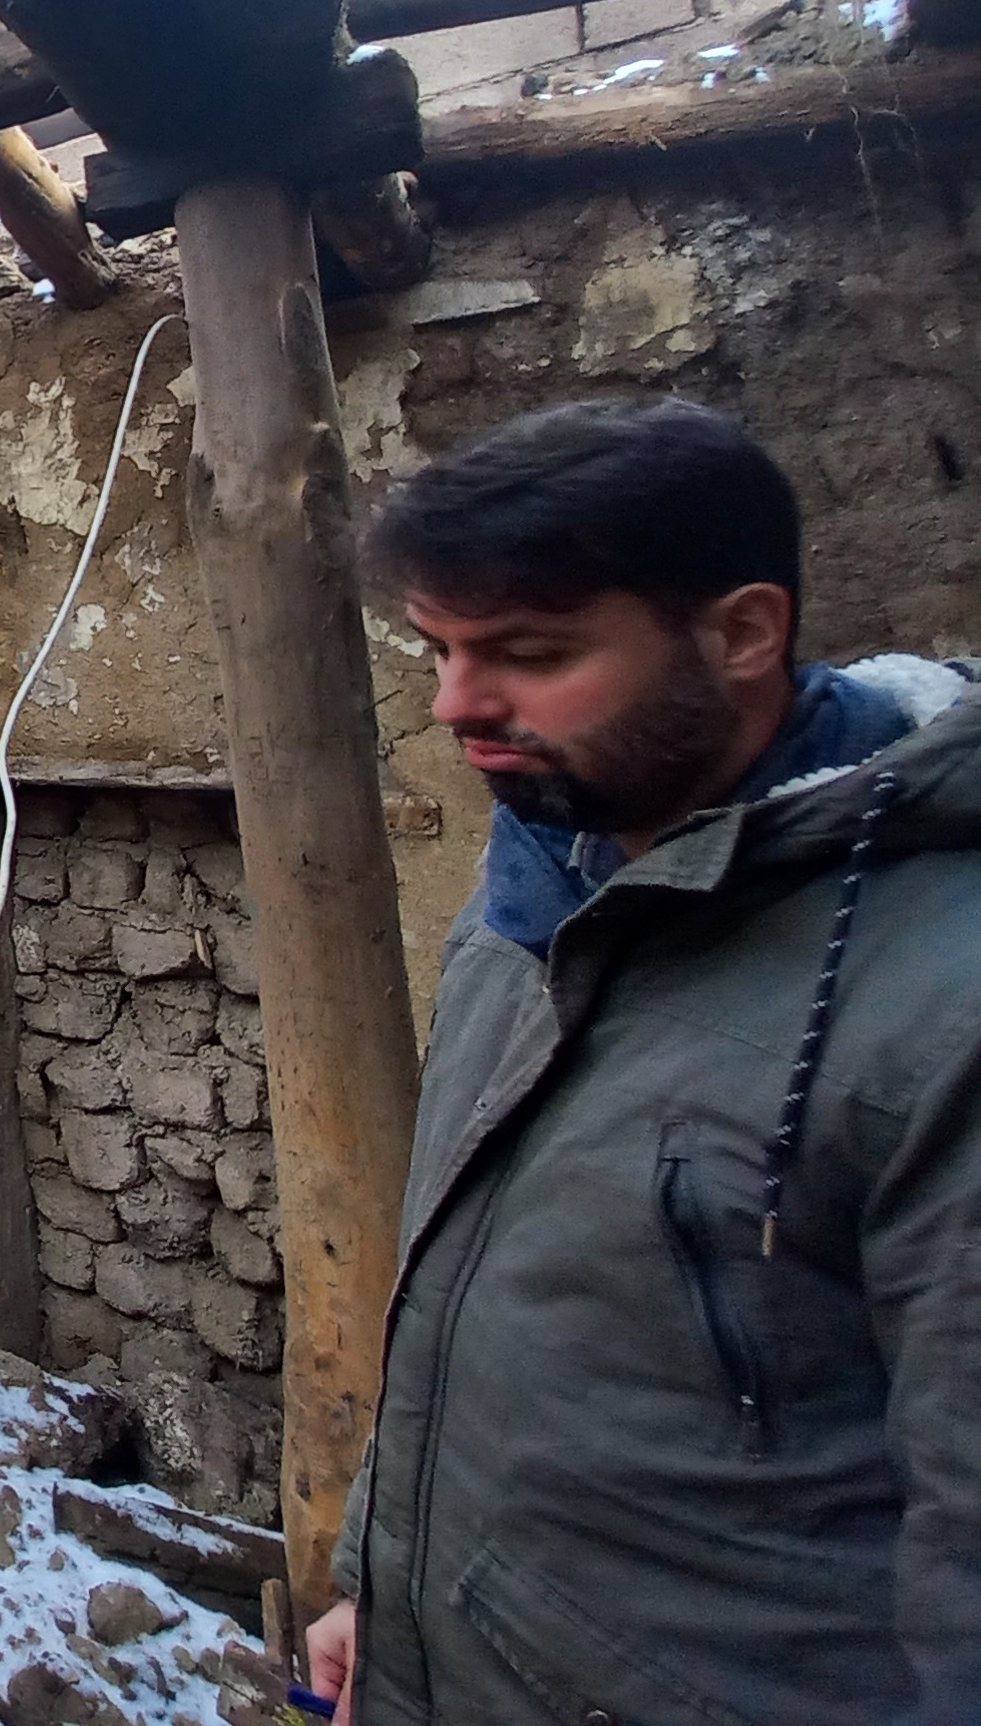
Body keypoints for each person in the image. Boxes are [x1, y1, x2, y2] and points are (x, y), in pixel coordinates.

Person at [311, 396, 981, 1724]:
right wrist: (383, 1588)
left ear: (742, 634)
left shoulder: (943, 997)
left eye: (527, 652)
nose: (455, 706)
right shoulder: (528, 902)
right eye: (437, 651)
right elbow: (476, 1296)